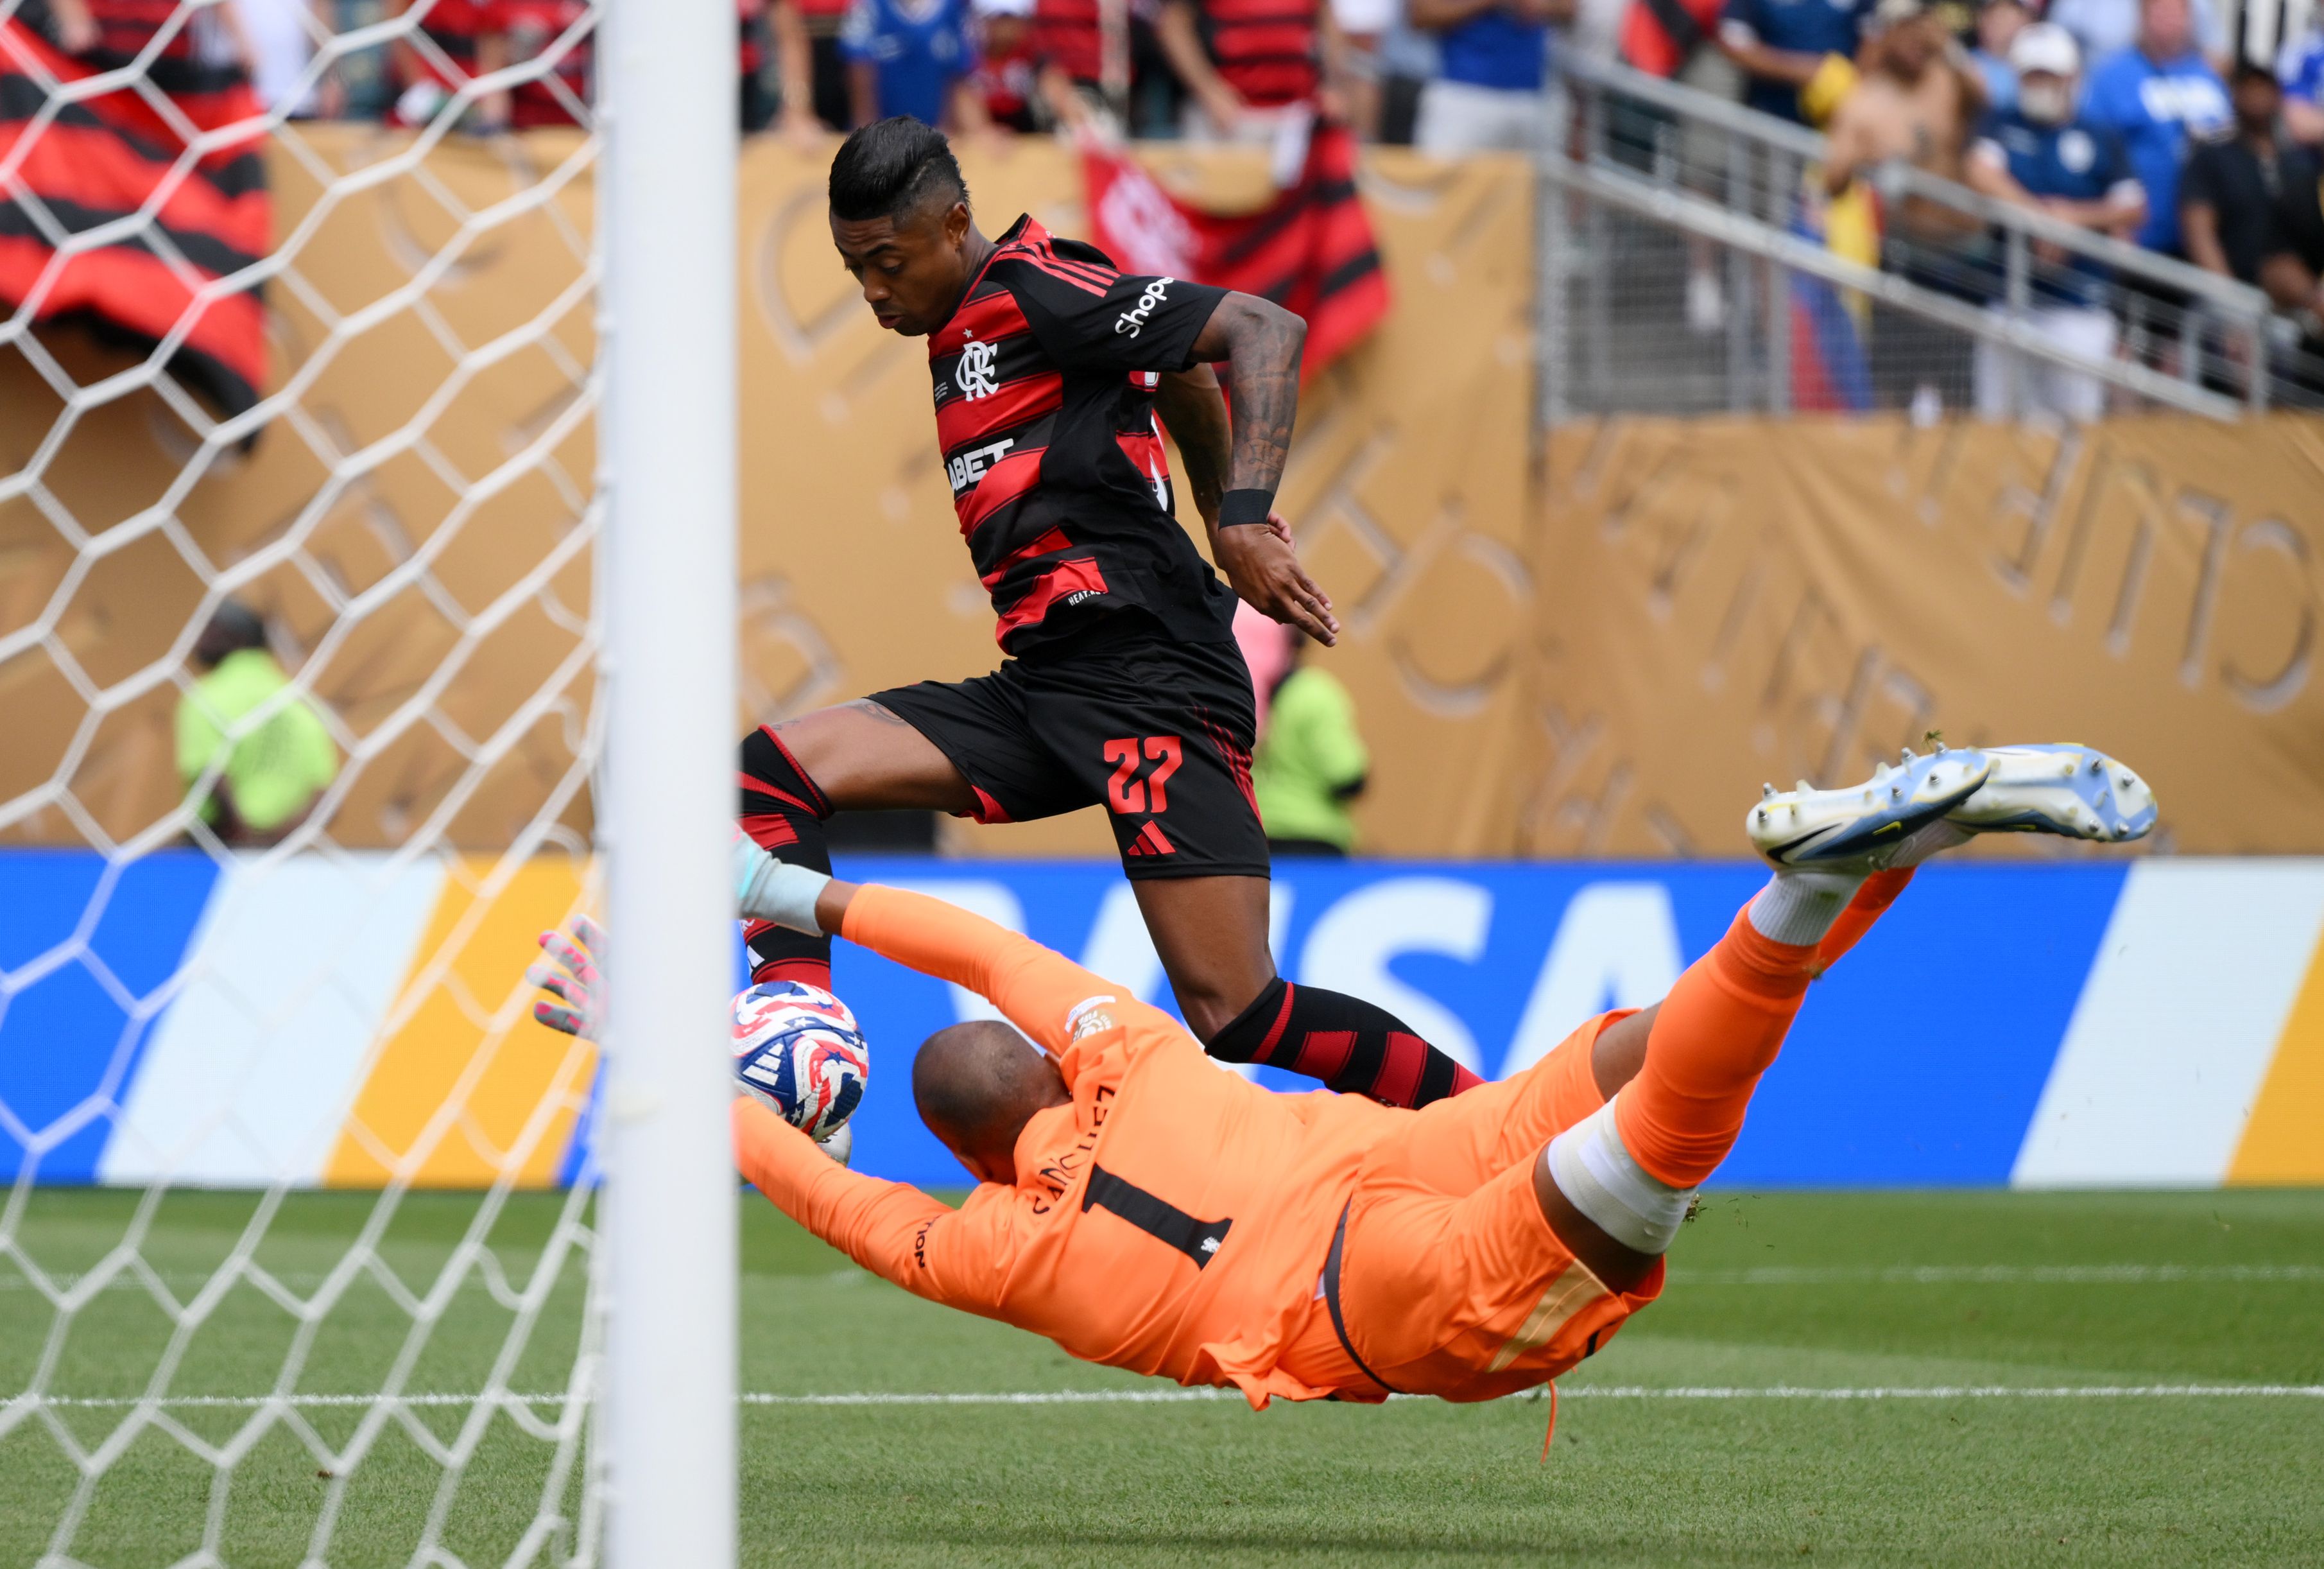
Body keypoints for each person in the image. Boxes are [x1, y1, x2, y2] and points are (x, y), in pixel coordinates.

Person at [608, 742, 2156, 1410]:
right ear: (1034, 1063)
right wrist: (785, 899)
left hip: (1366, 1293)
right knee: (1629, 1047)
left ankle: (1822, 888)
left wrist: (668, 1063)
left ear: (965, 1149)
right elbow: (974, 948)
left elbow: (831, 1193)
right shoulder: (1121, 1047)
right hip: (1402, 1160)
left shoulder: (995, 1251)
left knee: (1655, 1146)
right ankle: (1860, 868)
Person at [734, 118, 1483, 1109]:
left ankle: (1497, 1123)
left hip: (1149, 675)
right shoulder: (961, 328)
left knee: (1237, 1014)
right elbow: (1173, 369)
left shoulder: (1033, 290)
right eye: (852, 266)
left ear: (955, 223)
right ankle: (799, 1017)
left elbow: (1259, 330)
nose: (872, 288)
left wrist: (1244, 516)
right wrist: (1215, 509)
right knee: (768, 773)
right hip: (1045, 683)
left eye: (887, 261)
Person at [1965, 22, 2145, 420]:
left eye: (2049, 75)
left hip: (2079, 305)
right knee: (1997, 421)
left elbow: (2132, 205)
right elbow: (1980, 172)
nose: (2040, 84)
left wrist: (2074, 218)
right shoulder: (2002, 122)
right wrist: (2042, 219)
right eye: (2032, 75)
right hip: (2009, 299)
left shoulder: (2099, 136)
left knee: (2076, 424)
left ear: (2071, 78)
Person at [1821, 0, 1989, 412]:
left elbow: (1985, 98)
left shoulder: (1947, 79)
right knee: (1896, 386)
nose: (1918, 40)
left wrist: (1949, 46)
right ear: (1888, 34)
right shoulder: (1864, 102)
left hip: (1964, 253)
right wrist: (1864, 162)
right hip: (1907, 253)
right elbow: (1833, 179)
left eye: (1924, 29)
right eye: (1908, 29)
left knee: (1961, 391)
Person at [176, 601, 340, 847]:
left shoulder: (206, 697)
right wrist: (279, 839)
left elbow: (209, 777)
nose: (195, 640)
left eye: (207, 630)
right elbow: (324, 797)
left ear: (237, 638)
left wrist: (247, 837)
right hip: (286, 852)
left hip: (218, 846)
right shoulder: (302, 702)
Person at [2079, 0, 2228, 260]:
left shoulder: (2209, 77)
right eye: (2160, 11)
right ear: (2142, 17)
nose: (2168, 19)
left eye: (2176, 11)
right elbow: (2094, 151)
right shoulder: (2112, 76)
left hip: (2207, 240)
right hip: (2141, 238)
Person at [2182, 60, 2311, 287]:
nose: (2257, 97)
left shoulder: (2298, 164)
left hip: (2291, 301)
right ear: (2235, 95)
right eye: (2249, 89)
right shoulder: (2212, 158)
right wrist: (2228, 298)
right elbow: (2199, 231)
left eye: (2264, 89)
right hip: (2229, 296)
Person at [1252, 632, 1368, 857]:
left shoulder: (1244, 693)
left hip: (1255, 834)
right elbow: (1348, 776)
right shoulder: (1316, 694)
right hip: (1313, 840)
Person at [1406, 0, 1569, 155]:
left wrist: (1543, 5)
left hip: (1533, 99)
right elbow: (1420, 15)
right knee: (1441, 180)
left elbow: (1569, 9)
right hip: (1463, 96)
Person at [841, 0, 992, 129]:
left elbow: (960, 78)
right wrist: (870, 137)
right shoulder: (867, 8)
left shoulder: (955, 9)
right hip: (883, 134)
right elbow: (859, 77)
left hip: (937, 134)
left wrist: (978, 129)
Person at [1717, 0, 1872, 125]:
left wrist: (1851, 85)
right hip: (1766, 114)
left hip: (1832, 123)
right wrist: (1806, 70)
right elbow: (1734, 41)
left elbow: (1874, 42)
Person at [1967, 0, 2029, 116]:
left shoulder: (2039, 65)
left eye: (2006, 16)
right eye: (1993, 14)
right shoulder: (1964, 64)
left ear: (2025, 21)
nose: (1998, 21)